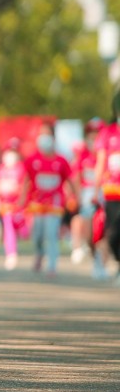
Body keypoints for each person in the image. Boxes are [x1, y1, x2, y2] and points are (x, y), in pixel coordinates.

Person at [20, 122, 78, 278]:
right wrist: (22, 198)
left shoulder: (61, 160)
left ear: (53, 137)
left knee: (51, 234)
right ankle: (39, 253)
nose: (43, 138)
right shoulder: (33, 159)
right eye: (41, 134)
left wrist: (75, 197)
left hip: (55, 204)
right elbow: (26, 180)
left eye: (47, 134)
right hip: (37, 204)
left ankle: (52, 265)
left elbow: (70, 180)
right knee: (38, 234)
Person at [0, 138, 27, 271]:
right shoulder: (1, 169)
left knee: (22, 230)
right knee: (8, 228)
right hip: (6, 205)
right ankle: (11, 254)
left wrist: (22, 201)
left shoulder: (22, 168)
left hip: (19, 206)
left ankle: (21, 244)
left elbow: (25, 186)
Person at [70, 118, 103, 273]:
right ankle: (89, 250)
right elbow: (75, 175)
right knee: (88, 227)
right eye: (91, 133)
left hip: (108, 193)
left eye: (97, 133)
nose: (94, 137)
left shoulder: (110, 152)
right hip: (87, 194)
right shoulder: (81, 153)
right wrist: (77, 195)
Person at [93, 91, 120, 284]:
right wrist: (95, 189)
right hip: (112, 191)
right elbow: (101, 162)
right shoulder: (107, 133)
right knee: (112, 231)